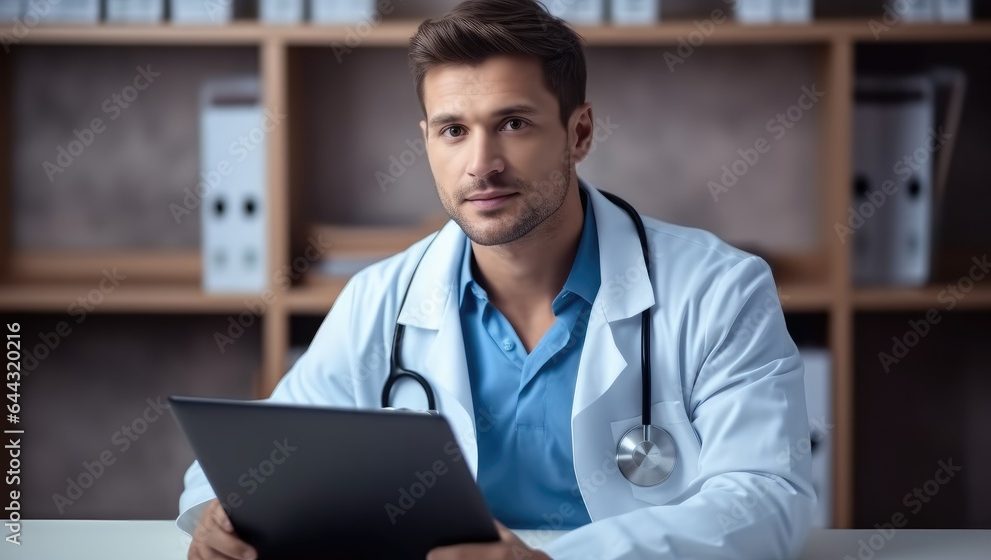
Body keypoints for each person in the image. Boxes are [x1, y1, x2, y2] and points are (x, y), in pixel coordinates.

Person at [177, 1, 816, 558]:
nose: (481, 164)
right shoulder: (381, 300)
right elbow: (258, 457)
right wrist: (219, 514)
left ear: (579, 132)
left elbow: (768, 498)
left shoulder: (720, 291)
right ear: (426, 140)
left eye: (513, 123)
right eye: (454, 131)